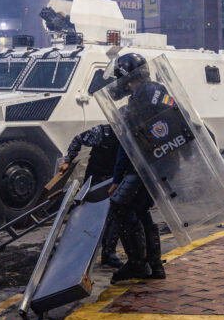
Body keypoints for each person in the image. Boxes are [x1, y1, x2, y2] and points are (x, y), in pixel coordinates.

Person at [106, 53, 167, 283]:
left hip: (141, 165)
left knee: (120, 207)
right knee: (141, 210)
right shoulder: (157, 91)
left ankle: (137, 264)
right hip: (159, 163)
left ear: (125, 77)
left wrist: (116, 178)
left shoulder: (139, 98)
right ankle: (155, 266)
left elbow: (128, 143)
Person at [58, 124, 123, 268]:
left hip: (114, 180)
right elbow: (78, 140)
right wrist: (68, 160)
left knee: (114, 215)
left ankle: (108, 253)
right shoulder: (101, 132)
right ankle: (76, 252)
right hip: (96, 179)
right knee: (88, 215)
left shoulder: (129, 134)